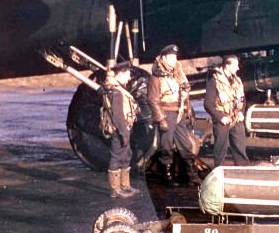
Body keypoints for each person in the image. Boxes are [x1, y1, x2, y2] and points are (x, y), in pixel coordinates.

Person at [147, 43, 200, 186]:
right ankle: (167, 177)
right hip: (166, 113)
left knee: (185, 144)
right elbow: (153, 99)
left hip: (179, 112)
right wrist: (161, 119)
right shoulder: (156, 77)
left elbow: (185, 95)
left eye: (175, 57)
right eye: (171, 57)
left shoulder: (178, 75)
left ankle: (192, 175)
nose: (174, 60)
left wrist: (190, 111)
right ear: (163, 58)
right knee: (167, 146)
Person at [203, 55, 250, 169]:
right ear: (227, 66)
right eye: (235, 65)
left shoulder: (237, 81)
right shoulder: (214, 81)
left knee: (240, 148)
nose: (238, 68)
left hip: (236, 118)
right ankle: (219, 173)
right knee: (220, 150)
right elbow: (208, 104)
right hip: (222, 120)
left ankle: (243, 172)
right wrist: (220, 117)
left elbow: (242, 100)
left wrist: (241, 112)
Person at [105, 61, 138, 198]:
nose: (129, 77)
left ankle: (125, 186)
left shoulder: (119, 90)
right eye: (128, 74)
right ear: (121, 73)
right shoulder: (117, 92)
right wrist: (124, 133)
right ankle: (115, 189)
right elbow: (117, 115)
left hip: (125, 128)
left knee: (126, 155)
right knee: (117, 157)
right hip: (120, 130)